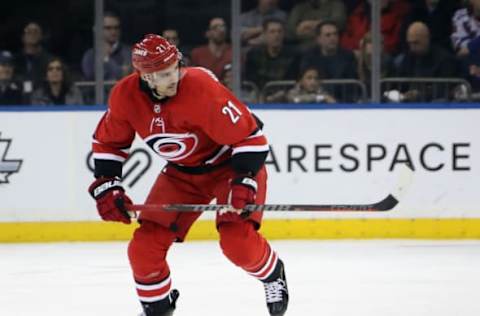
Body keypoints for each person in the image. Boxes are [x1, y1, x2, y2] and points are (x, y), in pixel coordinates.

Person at [87, 34, 289, 316]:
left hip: (228, 166)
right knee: (143, 249)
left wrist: (244, 180)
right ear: (145, 76)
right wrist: (107, 186)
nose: (174, 77)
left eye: (175, 68)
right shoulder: (124, 95)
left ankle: (273, 274)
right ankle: (158, 308)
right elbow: (109, 143)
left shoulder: (201, 87)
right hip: (180, 175)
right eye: (164, 74)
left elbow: (251, 139)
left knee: (237, 243)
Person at [81, 11, 132, 81]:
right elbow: (92, 79)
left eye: (116, 28)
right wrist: (118, 71)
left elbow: (126, 78)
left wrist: (106, 59)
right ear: (98, 30)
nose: (113, 32)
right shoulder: (90, 55)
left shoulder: (128, 52)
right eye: (108, 28)